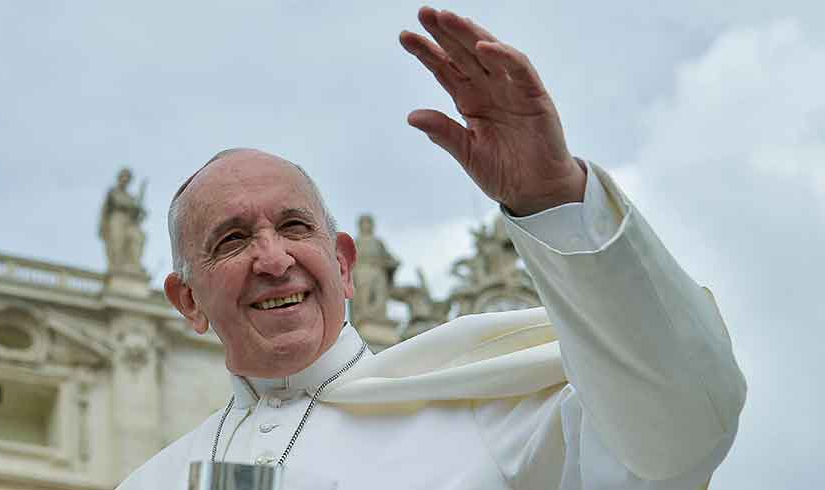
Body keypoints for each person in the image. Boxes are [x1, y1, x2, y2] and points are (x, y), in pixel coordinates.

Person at [120, 7, 745, 490]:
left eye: (294, 227)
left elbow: (680, 428)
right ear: (188, 301)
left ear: (343, 263)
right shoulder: (150, 482)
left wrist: (554, 198)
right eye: (232, 241)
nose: (273, 259)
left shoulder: (496, 410)